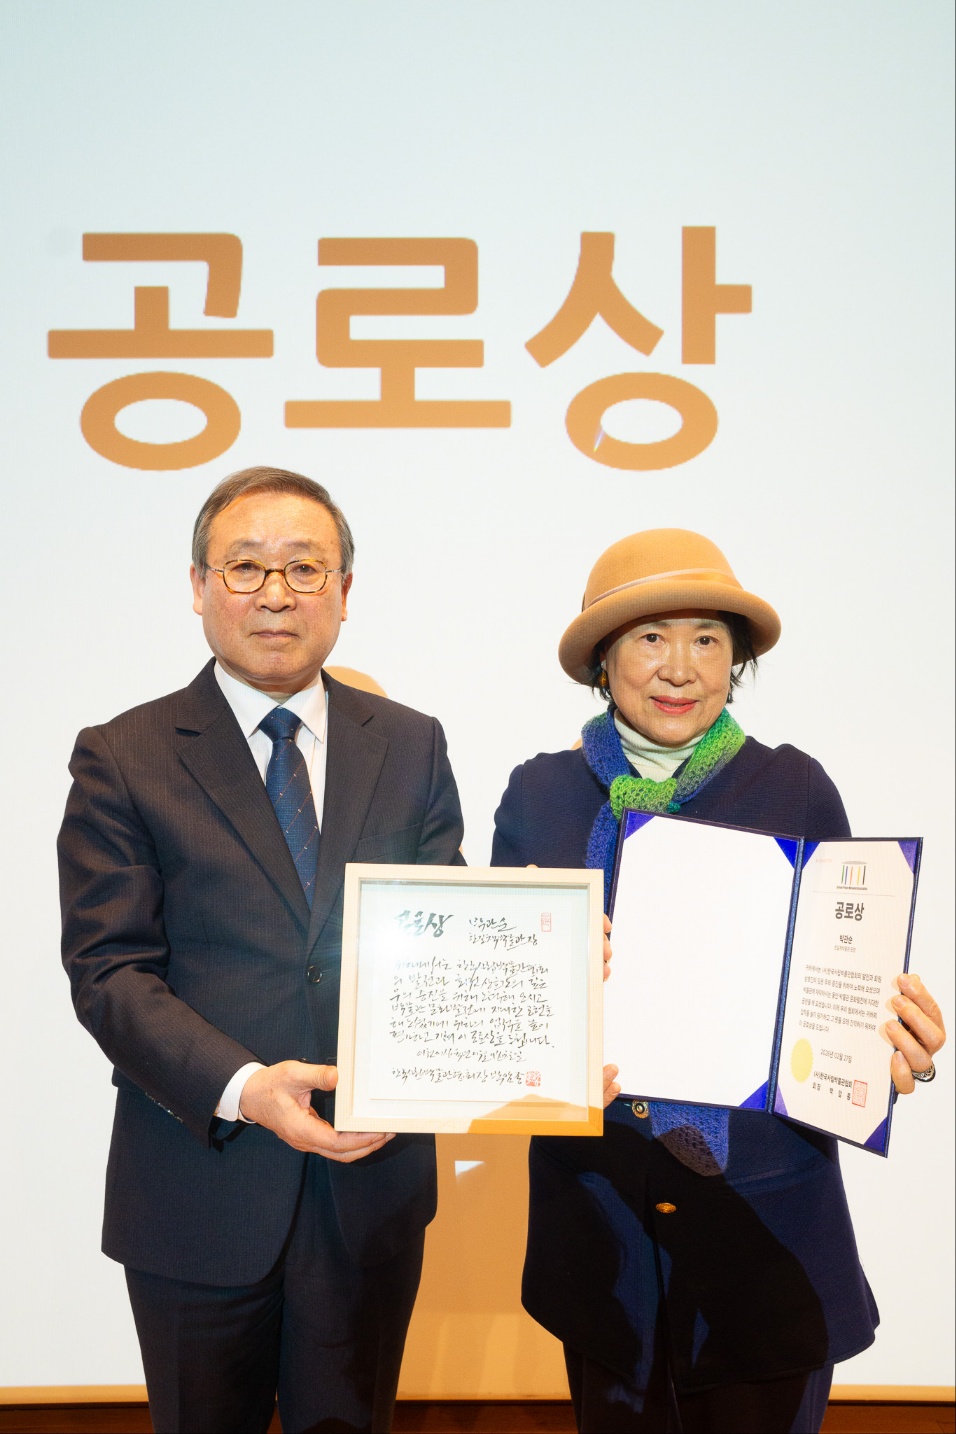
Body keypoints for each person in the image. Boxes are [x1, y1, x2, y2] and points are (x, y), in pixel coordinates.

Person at [492, 528, 946, 1434]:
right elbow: (505, 1009)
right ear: (603, 660)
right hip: (601, 1232)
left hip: (765, 1232)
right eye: (650, 637)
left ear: (735, 660)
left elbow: (840, 988)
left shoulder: (795, 788)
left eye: (707, 639)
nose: (681, 667)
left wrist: (892, 1050)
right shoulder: (539, 795)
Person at [58, 466, 465, 1434]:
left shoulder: (411, 745)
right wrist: (246, 1087)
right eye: (245, 567)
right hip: (198, 1189)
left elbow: (442, 938)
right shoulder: (124, 755)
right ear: (199, 587)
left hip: (368, 1188)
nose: (275, 593)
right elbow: (110, 974)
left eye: (304, 567)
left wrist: (546, 976)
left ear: (344, 592)